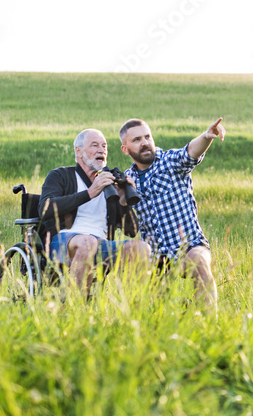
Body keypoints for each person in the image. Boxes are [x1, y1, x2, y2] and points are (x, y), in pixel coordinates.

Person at [119, 116, 225, 308]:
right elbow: (125, 224)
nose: (144, 143)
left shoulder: (169, 162)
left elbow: (190, 151)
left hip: (189, 246)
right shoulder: (128, 180)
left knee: (199, 262)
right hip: (156, 256)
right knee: (155, 306)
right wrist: (122, 197)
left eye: (147, 137)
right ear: (125, 149)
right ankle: (178, 311)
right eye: (137, 140)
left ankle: (210, 324)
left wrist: (207, 136)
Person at [39, 128, 150, 296]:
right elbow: (45, 208)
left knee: (142, 249)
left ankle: (129, 312)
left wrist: (123, 201)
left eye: (104, 146)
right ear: (79, 151)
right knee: (88, 242)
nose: (101, 150)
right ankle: (74, 309)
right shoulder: (60, 175)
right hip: (62, 242)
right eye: (95, 145)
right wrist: (90, 192)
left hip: (100, 246)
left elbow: (132, 231)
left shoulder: (109, 184)